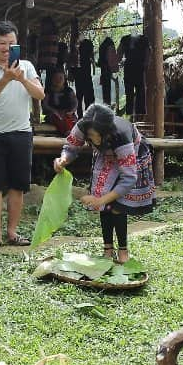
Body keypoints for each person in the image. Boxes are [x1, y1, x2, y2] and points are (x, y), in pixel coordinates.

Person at [53, 103, 154, 262]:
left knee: (117, 206)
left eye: (98, 135)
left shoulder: (121, 135)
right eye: (91, 136)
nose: (95, 140)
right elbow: (71, 147)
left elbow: (128, 178)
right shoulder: (82, 126)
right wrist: (63, 159)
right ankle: (107, 249)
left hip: (130, 156)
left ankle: (123, 250)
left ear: (107, 131)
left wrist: (100, 199)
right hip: (105, 155)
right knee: (104, 208)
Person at [0, 21, 44, 251]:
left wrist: (21, 78)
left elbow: (40, 94)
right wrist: (6, 78)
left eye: (12, 43)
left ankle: (12, 232)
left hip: (21, 133)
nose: (7, 48)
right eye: (2, 43)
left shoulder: (26, 66)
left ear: (17, 45)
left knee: (17, 185)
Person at [42, 68, 78, 136]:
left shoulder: (69, 91)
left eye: (60, 78)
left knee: (72, 120)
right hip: (53, 114)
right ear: (52, 79)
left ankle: (72, 134)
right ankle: (67, 133)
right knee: (58, 119)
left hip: (67, 114)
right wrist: (54, 111)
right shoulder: (48, 91)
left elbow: (75, 103)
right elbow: (45, 105)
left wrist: (71, 111)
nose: (58, 80)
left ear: (64, 79)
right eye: (56, 78)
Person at [74, 39, 96, 116]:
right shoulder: (87, 59)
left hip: (79, 80)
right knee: (89, 99)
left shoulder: (79, 58)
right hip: (87, 80)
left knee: (79, 99)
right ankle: (88, 116)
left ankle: (80, 116)